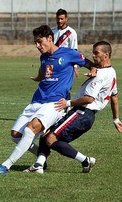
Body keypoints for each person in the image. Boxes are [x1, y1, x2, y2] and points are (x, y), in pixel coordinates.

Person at [0, 25, 96, 175]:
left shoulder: (69, 54)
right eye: (35, 42)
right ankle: (42, 157)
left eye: (40, 42)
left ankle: (5, 166)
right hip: (36, 101)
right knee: (15, 135)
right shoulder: (43, 57)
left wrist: (93, 70)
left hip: (55, 104)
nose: (37, 46)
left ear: (49, 39)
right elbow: (44, 70)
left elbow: (90, 65)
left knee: (30, 129)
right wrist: (38, 77)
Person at [24, 41, 122, 174]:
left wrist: (68, 103)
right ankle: (38, 165)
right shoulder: (111, 72)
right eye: (93, 52)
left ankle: (85, 160)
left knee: (50, 138)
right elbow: (114, 97)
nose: (93, 56)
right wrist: (116, 119)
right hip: (83, 114)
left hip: (82, 113)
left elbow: (89, 99)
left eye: (96, 53)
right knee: (45, 132)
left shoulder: (102, 75)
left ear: (106, 55)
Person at [51, 8, 79, 77]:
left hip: (65, 63)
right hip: (52, 62)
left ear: (66, 19)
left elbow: (74, 50)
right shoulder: (51, 31)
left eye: (62, 19)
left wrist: (75, 66)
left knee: (63, 85)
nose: (59, 21)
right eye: (58, 19)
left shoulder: (71, 32)